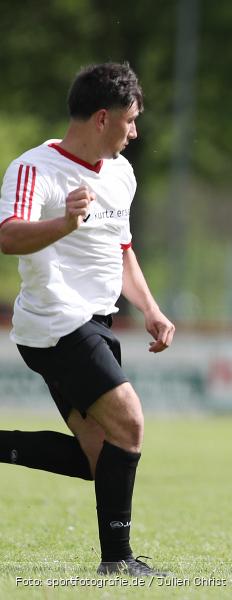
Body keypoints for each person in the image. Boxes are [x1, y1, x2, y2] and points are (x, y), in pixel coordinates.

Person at [0, 63, 174, 576]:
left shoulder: (121, 173)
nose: (135, 131)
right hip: (55, 325)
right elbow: (8, 236)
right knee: (131, 424)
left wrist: (151, 307)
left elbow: (120, 250)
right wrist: (64, 222)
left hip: (97, 324)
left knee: (102, 460)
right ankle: (116, 562)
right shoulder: (34, 169)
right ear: (103, 117)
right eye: (131, 120)